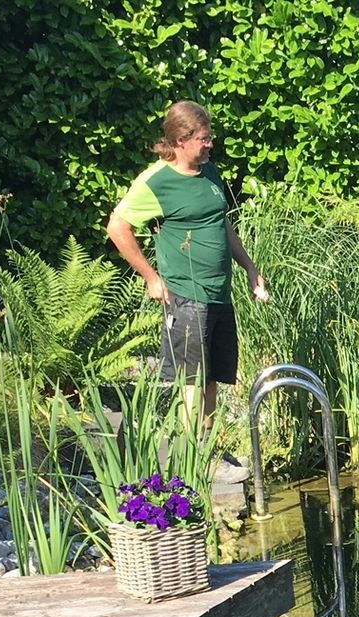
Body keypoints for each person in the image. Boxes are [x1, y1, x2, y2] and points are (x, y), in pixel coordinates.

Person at [106, 100, 270, 427]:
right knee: (191, 381)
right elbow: (117, 227)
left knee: (211, 378)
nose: (211, 145)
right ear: (181, 140)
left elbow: (221, 224)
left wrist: (250, 268)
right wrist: (151, 277)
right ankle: (189, 458)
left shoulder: (210, 171)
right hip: (185, 294)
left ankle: (207, 452)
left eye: (210, 137)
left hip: (219, 293)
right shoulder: (155, 182)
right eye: (204, 139)